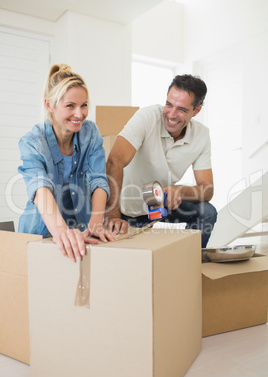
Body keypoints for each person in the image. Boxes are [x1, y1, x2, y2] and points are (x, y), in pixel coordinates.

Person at [105, 74, 217, 248]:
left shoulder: (202, 135)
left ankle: (188, 264)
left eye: (182, 109)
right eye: (169, 104)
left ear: (196, 111)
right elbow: (115, 161)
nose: (171, 115)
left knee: (207, 212)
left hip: (159, 204)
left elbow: (207, 190)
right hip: (127, 208)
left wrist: (179, 190)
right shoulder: (147, 117)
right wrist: (112, 215)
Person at [18, 64, 115, 262]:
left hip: (82, 232)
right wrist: (62, 232)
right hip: (41, 234)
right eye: (70, 106)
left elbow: (99, 180)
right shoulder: (32, 142)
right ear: (49, 105)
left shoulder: (90, 133)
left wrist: (96, 221)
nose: (79, 114)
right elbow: (39, 188)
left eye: (84, 105)